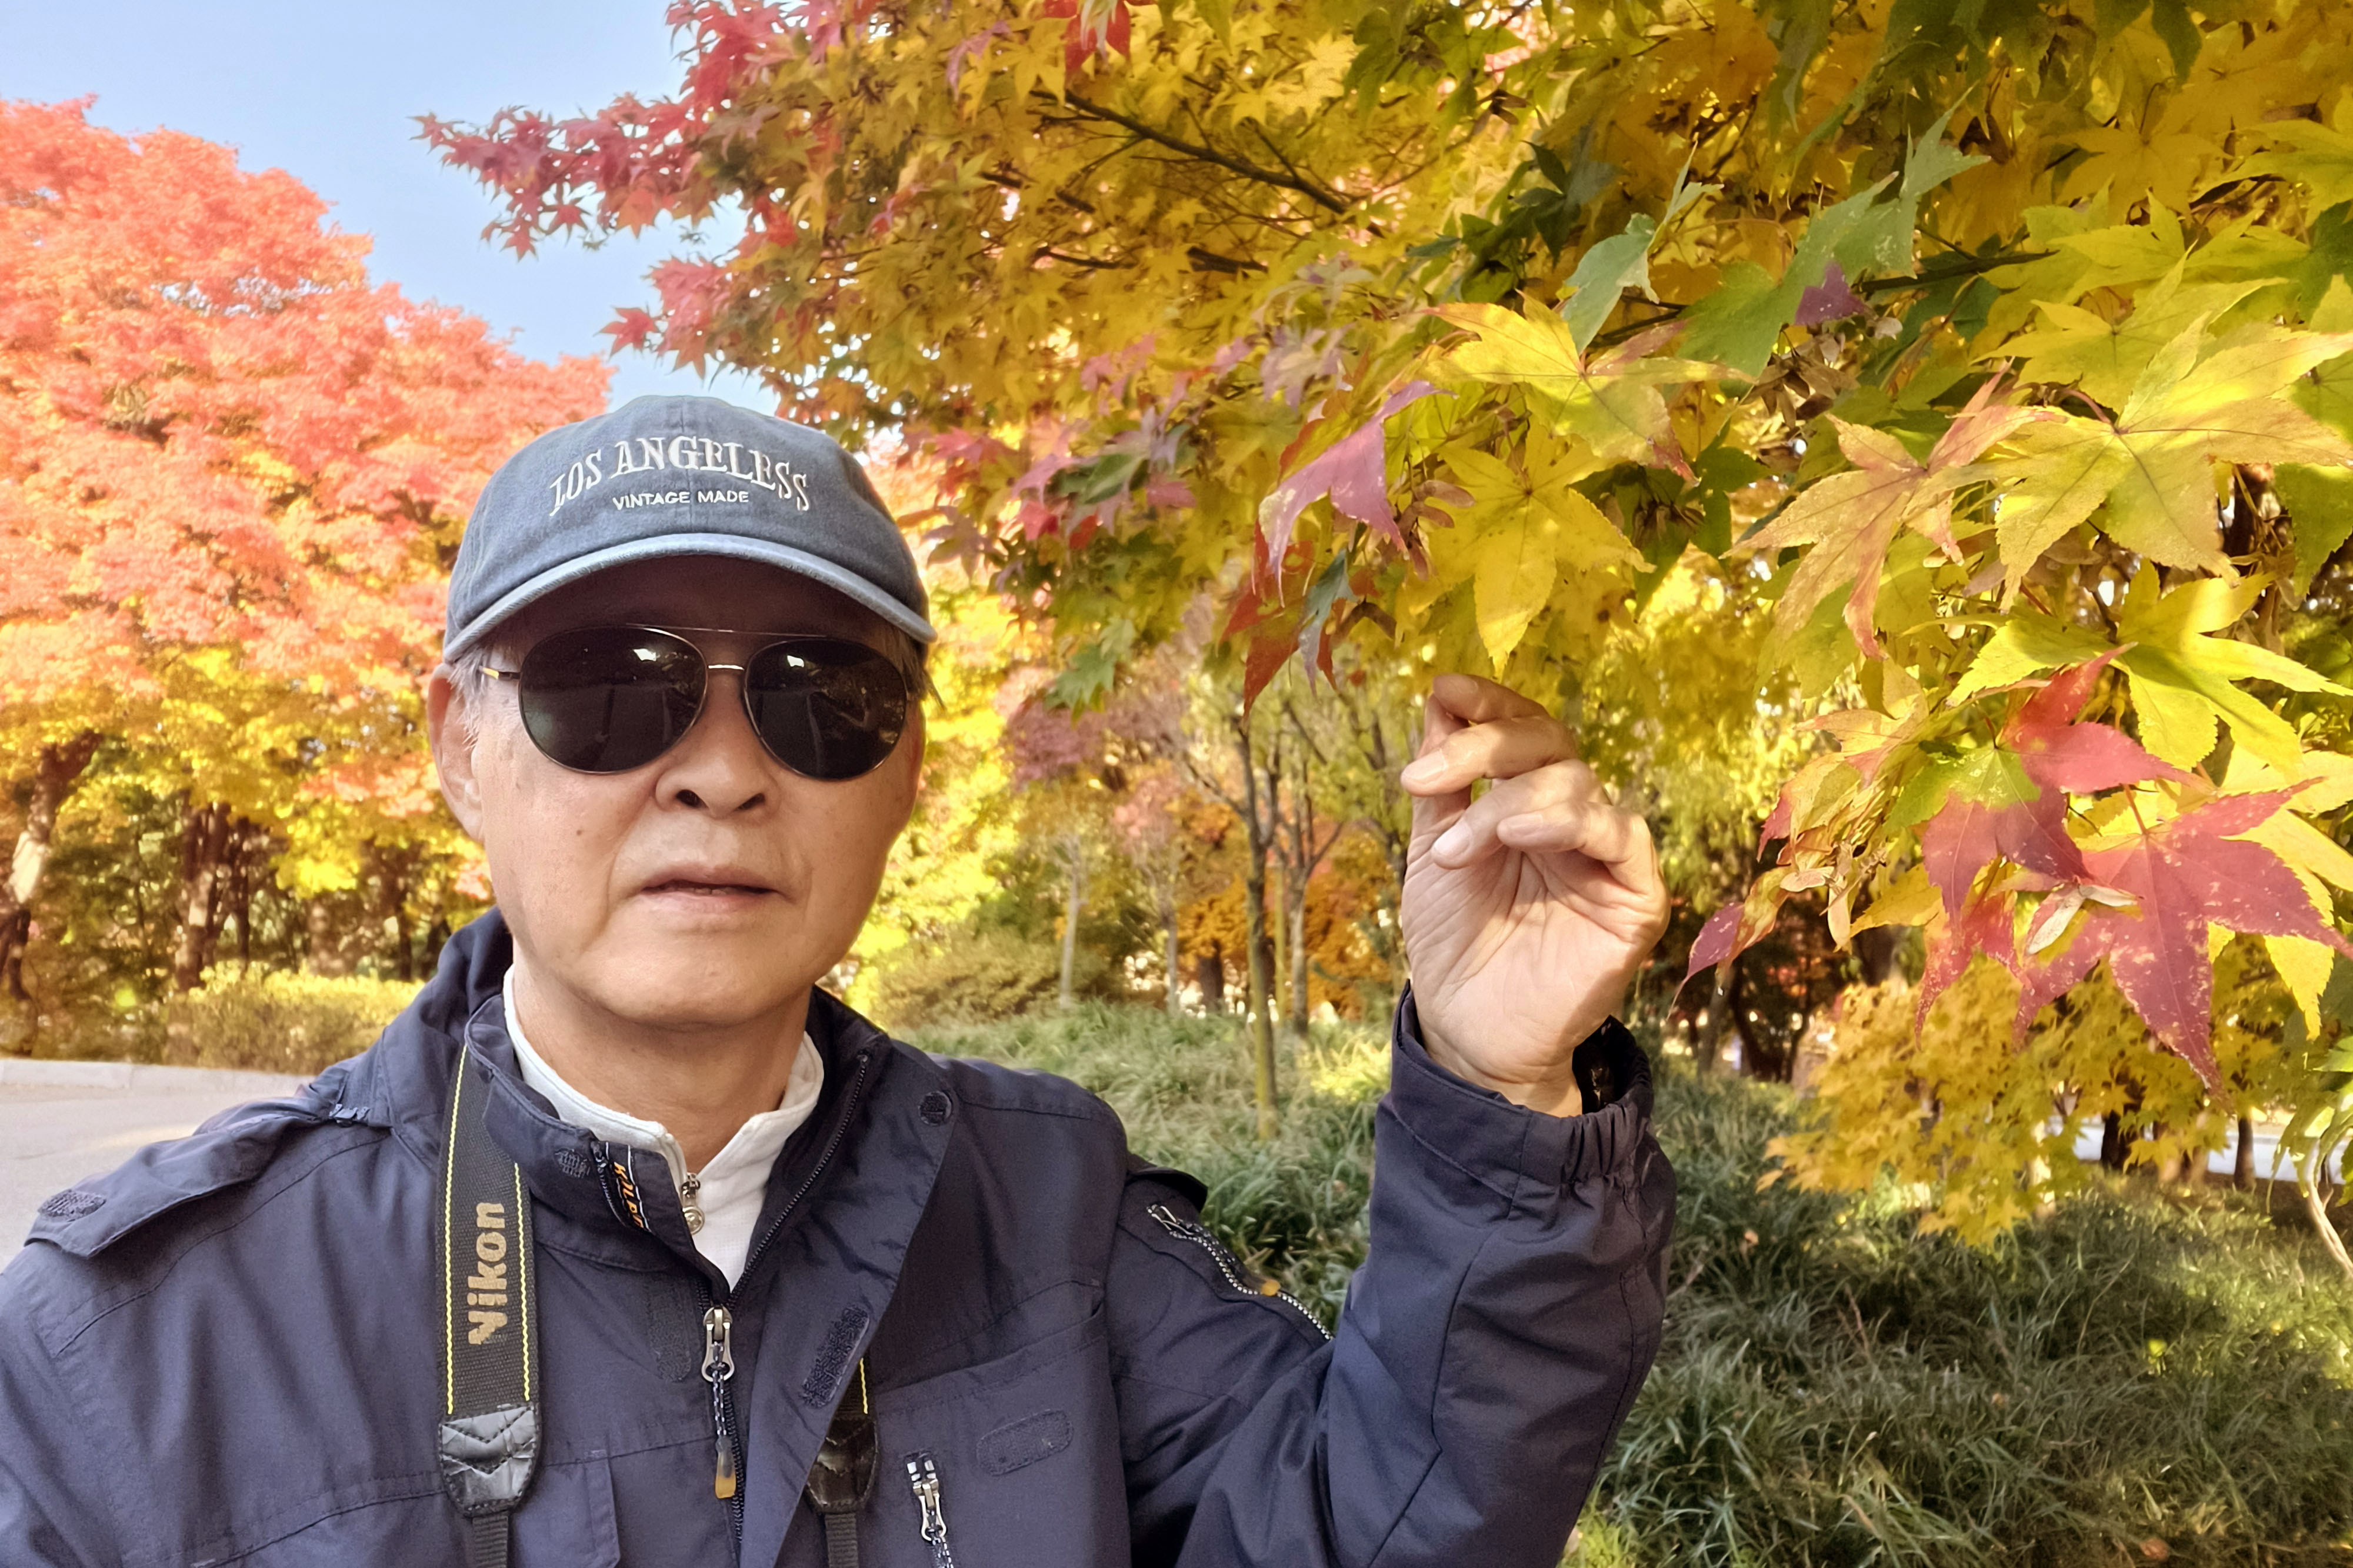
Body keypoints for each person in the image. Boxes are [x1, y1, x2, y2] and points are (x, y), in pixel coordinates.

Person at [0, 396, 1675, 1567]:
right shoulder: (133, 1347)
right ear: (460, 745)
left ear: (907, 771)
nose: (723, 771)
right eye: (610, 686)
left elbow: (1368, 1530)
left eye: (819, 696)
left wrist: (1499, 1092)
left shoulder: (1049, 1216)